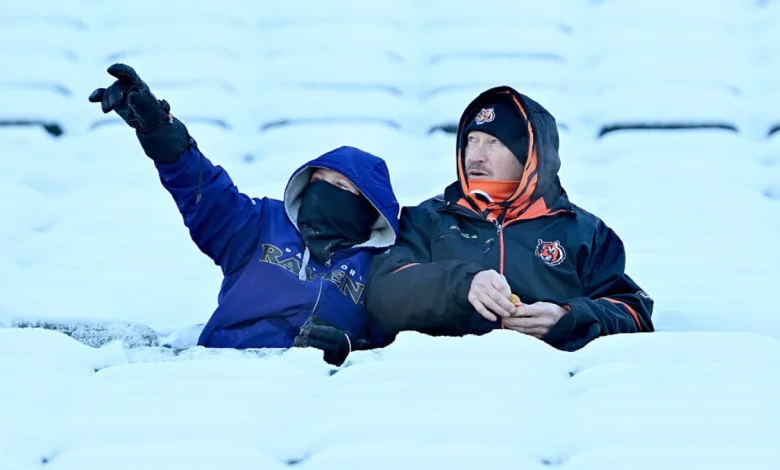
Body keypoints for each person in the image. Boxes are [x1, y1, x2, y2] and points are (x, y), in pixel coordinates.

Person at [88, 64, 400, 365]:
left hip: (311, 384)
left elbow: (396, 339)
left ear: (368, 208)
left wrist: (349, 348)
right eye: (318, 181)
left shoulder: (378, 268)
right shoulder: (263, 223)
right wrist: (159, 130)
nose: (324, 192)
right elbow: (205, 194)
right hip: (223, 368)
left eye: (340, 186)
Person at [365, 86, 654, 351]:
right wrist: (463, 284)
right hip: (444, 381)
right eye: (471, 141)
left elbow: (634, 311)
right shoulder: (428, 219)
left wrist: (567, 318)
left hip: (543, 386)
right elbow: (382, 293)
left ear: (531, 155)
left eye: (493, 143)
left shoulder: (584, 231)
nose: (475, 156)